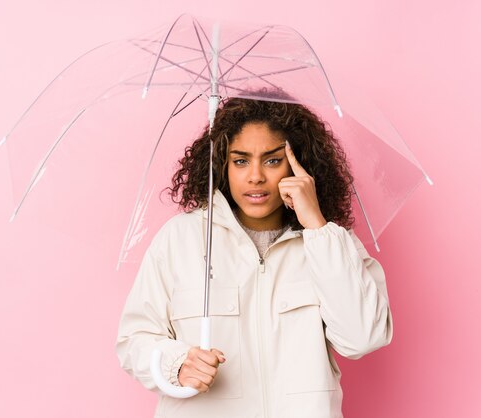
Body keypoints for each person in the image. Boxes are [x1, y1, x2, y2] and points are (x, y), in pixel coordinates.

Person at [115, 95, 393, 418]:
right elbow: (133, 340)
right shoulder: (180, 240)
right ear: (222, 164)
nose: (256, 176)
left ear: (297, 164)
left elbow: (363, 338)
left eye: (273, 160)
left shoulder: (330, 244)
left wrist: (317, 225)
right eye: (241, 160)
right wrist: (175, 364)